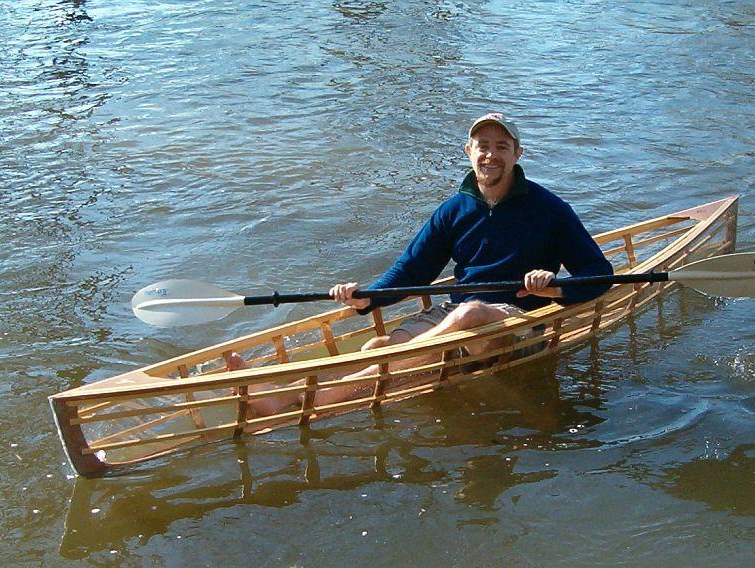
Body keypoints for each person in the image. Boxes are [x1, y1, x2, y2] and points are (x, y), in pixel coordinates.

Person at [233, 113, 613, 415]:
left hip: (516, 320)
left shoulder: (551, 211)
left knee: (470, 314)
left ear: (518, 154)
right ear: (468, 151)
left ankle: (311, 401)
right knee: (377, 345)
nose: (491, 155)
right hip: (454, 312)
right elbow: (412, 271)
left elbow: (599, 274)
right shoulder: (453, 210)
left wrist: (555, 286)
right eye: (483, 146)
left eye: (502, 146)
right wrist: (366, 298)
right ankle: (284, 393)